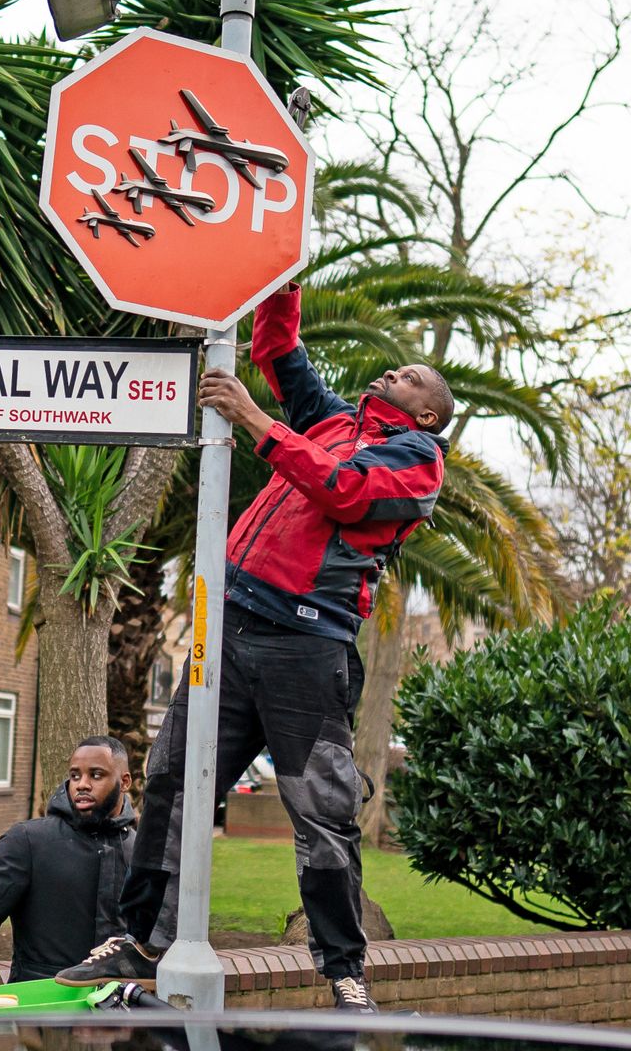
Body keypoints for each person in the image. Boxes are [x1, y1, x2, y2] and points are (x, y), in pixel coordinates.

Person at [56, 281, 450, 1014]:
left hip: (307, 651)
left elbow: (347, 492)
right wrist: (281, 276)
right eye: (394, 370)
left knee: (323, 817)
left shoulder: (418, 462)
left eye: (412, 376)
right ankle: (141, 938)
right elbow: (275, 347)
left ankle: (344, 971)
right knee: (173, 782)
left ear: (427, 411)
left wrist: (254, 421)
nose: (394, 371)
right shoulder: (332, 421)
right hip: (230, 633)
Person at [0, 737, 137, 1011]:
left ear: (124, 782)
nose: (82, 784)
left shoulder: (141, 852)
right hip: (42, 1013)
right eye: (75, 775)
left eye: (96, 775)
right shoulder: (30, 841)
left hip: (124, 1020)